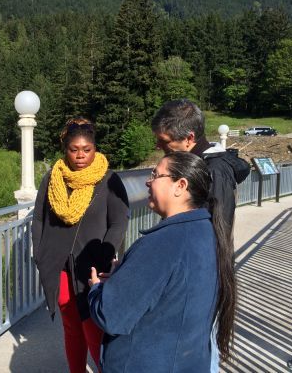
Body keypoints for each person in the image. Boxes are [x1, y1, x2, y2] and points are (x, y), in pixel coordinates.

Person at [88, 151, 236, 373]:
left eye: (156, 175)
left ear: (180, 186)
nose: (148, 182)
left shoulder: (162, 243)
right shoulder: (207, 230)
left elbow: (110, 316)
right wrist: (128, 274)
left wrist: (97, 290)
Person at [32, 117, 129, 373]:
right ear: (65, 150)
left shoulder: (109, 180)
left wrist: (107, 254)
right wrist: (39, 253)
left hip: (92, 266)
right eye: (74, 150)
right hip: (58, 264)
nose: (80, 156)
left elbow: (118, 222)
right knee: (71, 325)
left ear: (95, 148)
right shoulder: (53, 178)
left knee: (93, 326)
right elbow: (39, 218)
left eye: (86, 150)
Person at [151, 99, 250, 230]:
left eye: (164, 140)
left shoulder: (214, 170)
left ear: (189, 138)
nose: (158, 146)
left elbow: (217, 230)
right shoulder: (192, 163)